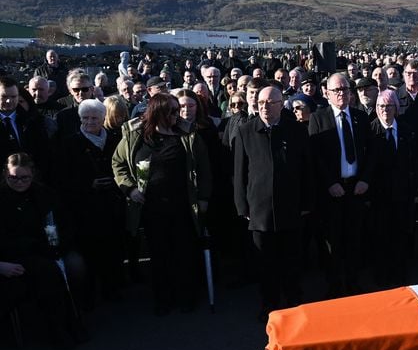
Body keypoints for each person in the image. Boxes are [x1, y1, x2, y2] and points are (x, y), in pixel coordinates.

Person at [112, 94, 212, 315]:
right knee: (159, 254)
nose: (178, 115)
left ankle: (186, 296)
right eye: (172, 111)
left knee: (184, 252)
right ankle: (163, 298)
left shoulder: (187, 135)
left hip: (183, 205)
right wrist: (130, 188)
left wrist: (203, 198)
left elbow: (204, 169)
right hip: (151, 207)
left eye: (177, 110)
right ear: (158, 112)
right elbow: (118, 163)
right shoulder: (135, 135)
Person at [234, 86, 313, 321]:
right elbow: (239, 173)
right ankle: (269, 303)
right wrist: (242, 206)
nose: (265, 107)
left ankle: (294, 299)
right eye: (260, 103)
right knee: (265, 262)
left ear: (281, 104)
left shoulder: (296, 131)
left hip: (291, 206)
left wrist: (307, 202)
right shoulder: (246, 131)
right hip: (259, 210)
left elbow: (307, 170)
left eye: (270, 102)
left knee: (292, 258)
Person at [0, 153, 87, 348]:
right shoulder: (2, 199)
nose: (19, 182)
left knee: (75, 263)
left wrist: (60, 243)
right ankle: (58, 328)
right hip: (17, 254)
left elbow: (64, 222)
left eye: (24, 177)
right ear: (5, 175)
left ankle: (75, 317)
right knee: (48, 271)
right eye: (13, 177)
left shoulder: (45, 194)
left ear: (33, 175)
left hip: (52, 247)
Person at [307, 72, 375, 296]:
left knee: (355, 239)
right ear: (327, 93)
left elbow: (370, 153)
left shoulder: (360, 117)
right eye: (336, 90)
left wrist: (364, 179)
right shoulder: (319, 118)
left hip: (356, 188)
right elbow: (315, 156)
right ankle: (335, 285)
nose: (341, 94)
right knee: (332, 242)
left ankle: (353, 282)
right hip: (332, 191)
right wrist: (330, 183)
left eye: (345, 89)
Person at [54, 100, 125, 309]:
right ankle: (89, 294)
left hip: (111, 204)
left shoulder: (114, 140)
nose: (89, 122)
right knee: (89, 250)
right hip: (84, 208)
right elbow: (61, 178)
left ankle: (112, 288)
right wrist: (88, 184)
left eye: (94, 118)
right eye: (85, 118)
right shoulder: (68, 144)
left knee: (112, 248)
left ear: (103, 119)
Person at [368, 89, 418, 288]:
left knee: (401, 238)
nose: (385, 110)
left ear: (396, 108)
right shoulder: (370, 130)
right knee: (381, 239)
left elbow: (413, 161)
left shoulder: (406, 130)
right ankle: (382, 280)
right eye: (381, 106)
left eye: (389, 106)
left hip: (403, 195)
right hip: (379, 197)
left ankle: (401, 278)